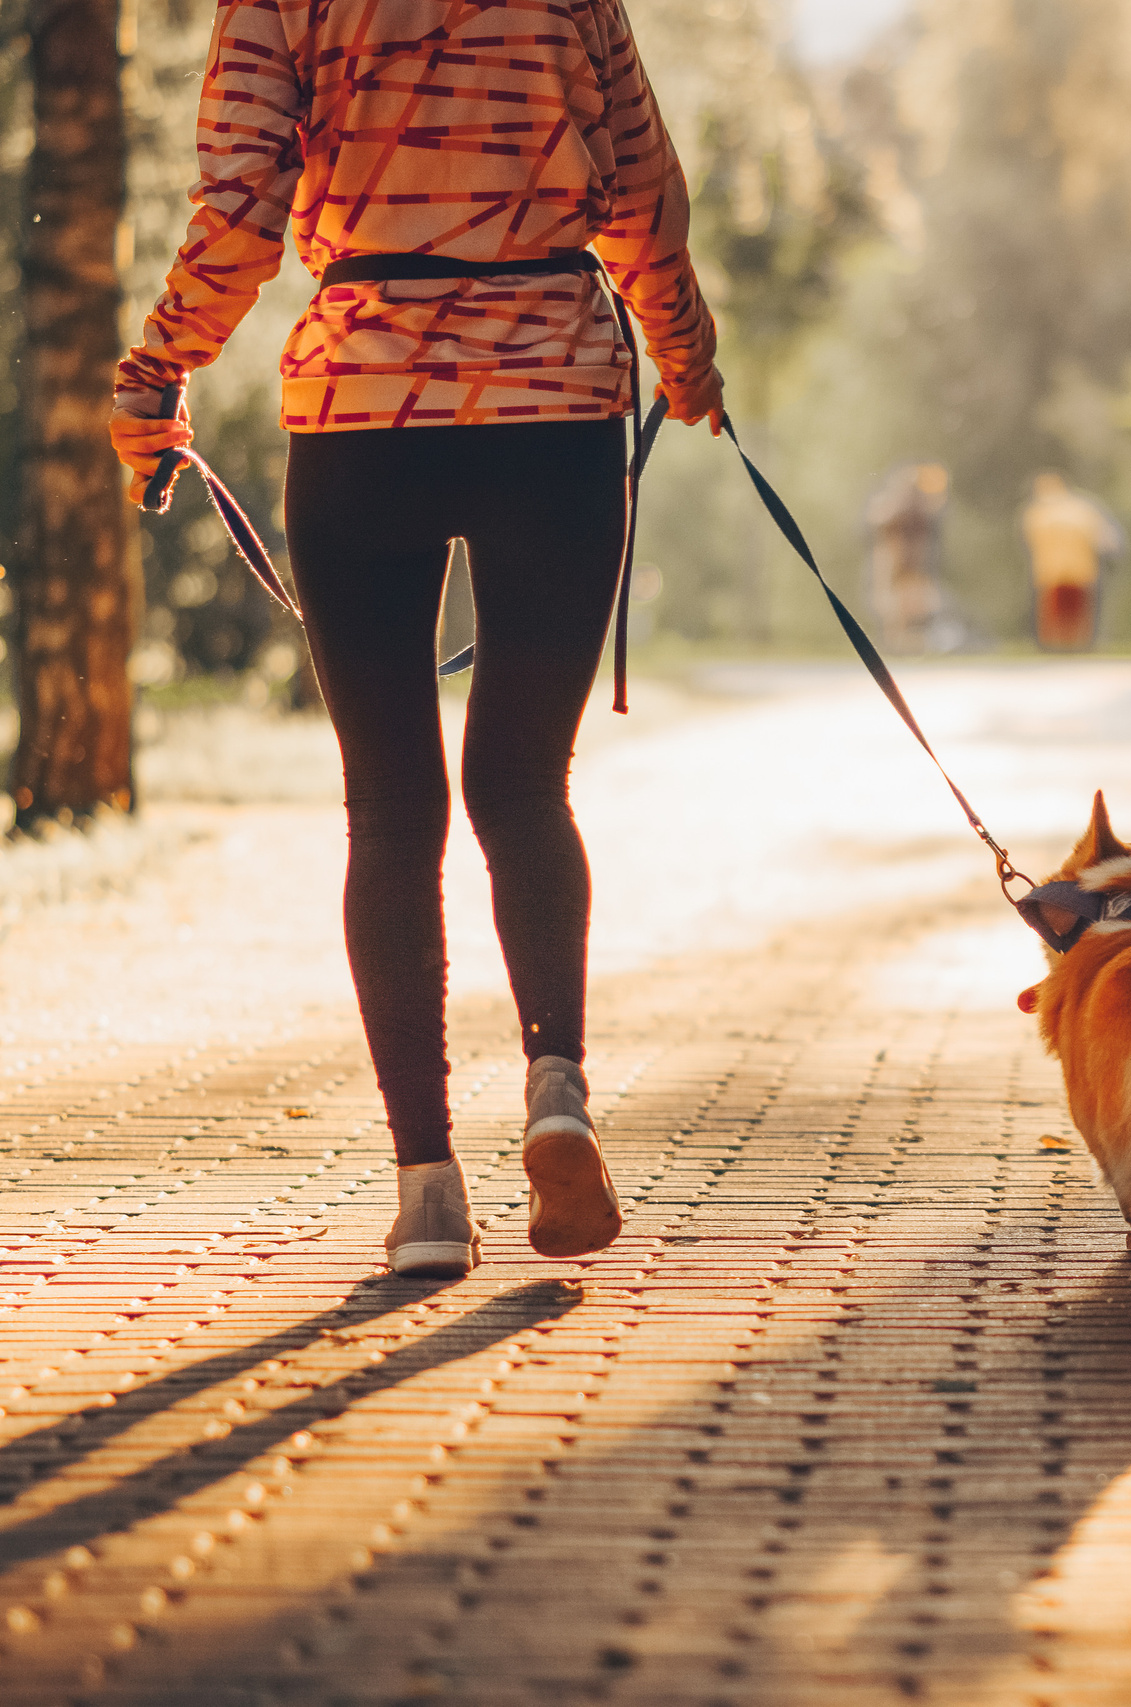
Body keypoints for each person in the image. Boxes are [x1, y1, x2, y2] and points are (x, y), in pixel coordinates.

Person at [108, 0, 724, 1279]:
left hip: (363, 408)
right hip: (554, 407)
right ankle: (557, 1086)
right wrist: (685, 355)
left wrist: (158, 371)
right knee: (524, 784)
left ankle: (428, 1193)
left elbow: (240, 203)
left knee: (391, 809)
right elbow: (642, 191)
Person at [1022, 471, 1124, 651]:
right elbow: (1106, 539)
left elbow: (1028, 540)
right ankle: (1076, 646)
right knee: (1073, 615)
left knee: (1059, 616)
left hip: (1056, 572)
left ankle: (1058, 647)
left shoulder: (1038, 513)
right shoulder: (1081, 509)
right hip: (1074, 571)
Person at [867, 462, 954, 652]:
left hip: (910, 560)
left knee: (911, 602)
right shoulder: (896, 504)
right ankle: (896, 642)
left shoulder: (918, 504)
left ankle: (907, 642)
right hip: (896, 558)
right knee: (897, 602)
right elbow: (879, 521)